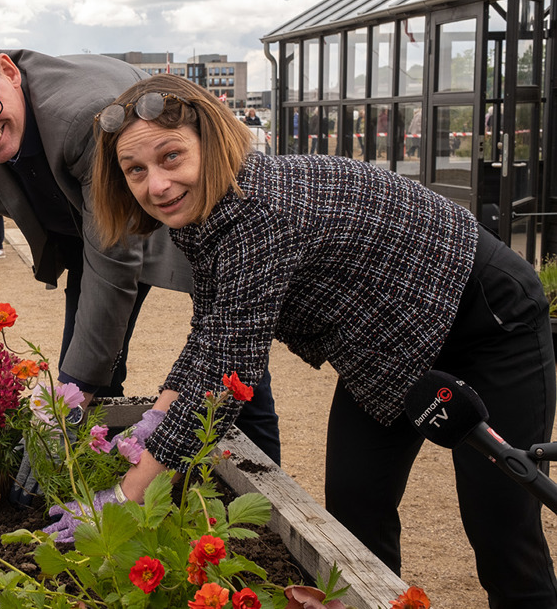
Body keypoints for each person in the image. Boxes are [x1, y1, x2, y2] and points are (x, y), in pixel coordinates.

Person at [80, 73, 557, 607]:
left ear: (210, 141)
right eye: (136, 171)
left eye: (171, 157)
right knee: (353, 514)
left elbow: (225, 370)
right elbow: (210, 335)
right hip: (386, 339)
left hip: (486, 318)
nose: (157, 185)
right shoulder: (203, 213)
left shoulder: (257, 212)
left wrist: (123, 502)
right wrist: (152, 423)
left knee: (502, 530)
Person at [0, 25, 281, 492]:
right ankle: (96, 468)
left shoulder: (83, 116)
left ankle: (262, 483)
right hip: (85, 232)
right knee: (84, 369)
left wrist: (71, 395)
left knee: (230, 354)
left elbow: (116, 260)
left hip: (167, 200)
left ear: (7, 71)